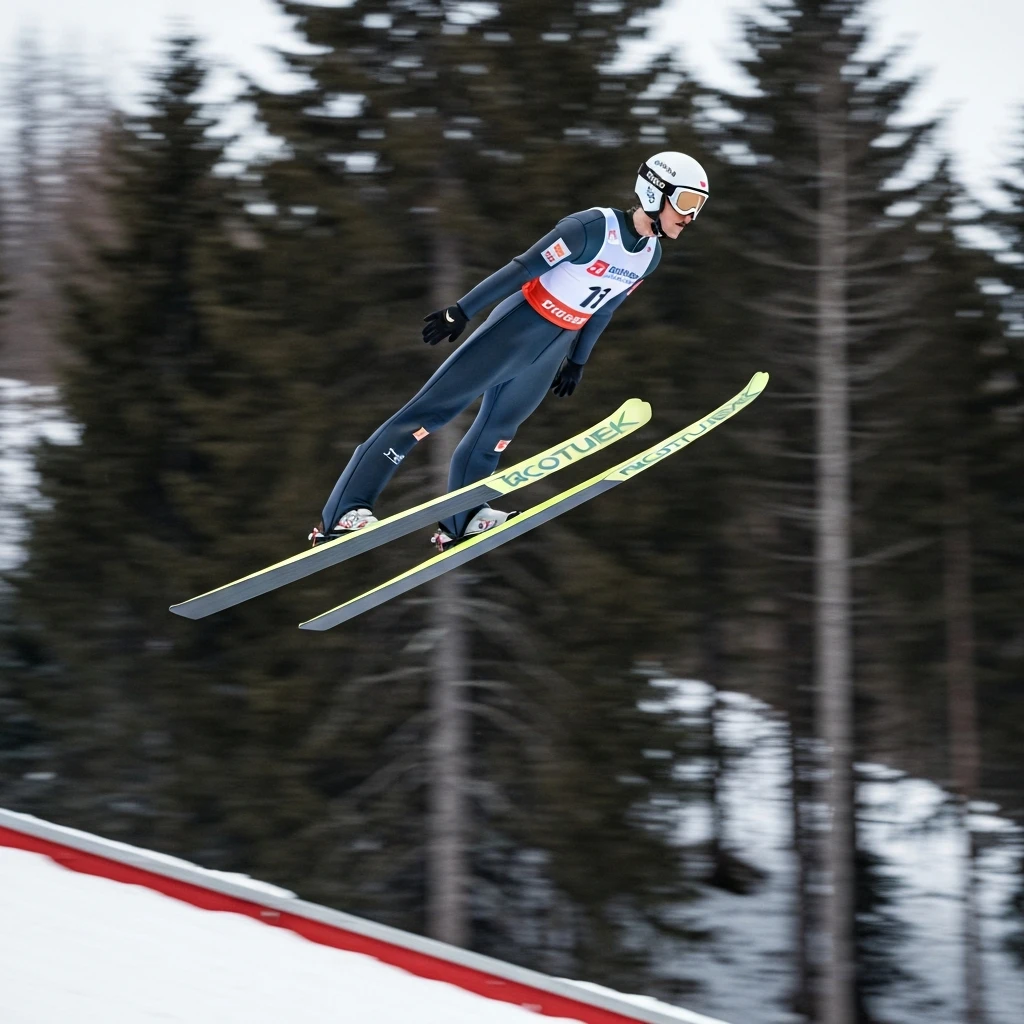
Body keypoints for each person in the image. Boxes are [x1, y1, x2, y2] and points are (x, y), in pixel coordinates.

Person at [309, 151, 710, 550]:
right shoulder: (590, 228)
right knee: (428, 414)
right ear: (655, 192)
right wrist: (461, 310)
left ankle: (463, 518)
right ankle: (344, 512)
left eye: (699, 206)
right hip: (517, 327)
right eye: (686, 202)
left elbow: (604, 308)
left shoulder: (649, 256)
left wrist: (577, 360)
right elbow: (523, 268)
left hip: (553, 345)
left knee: (498, 432)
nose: (690, 216)